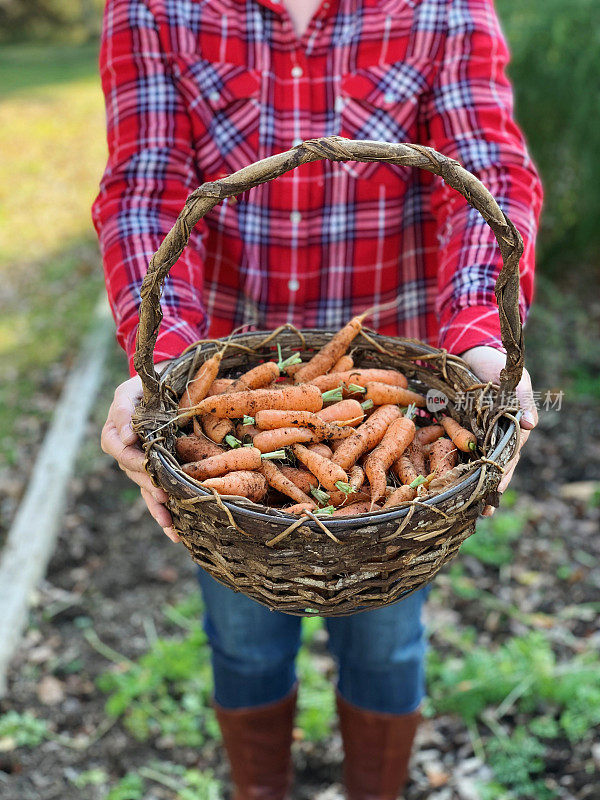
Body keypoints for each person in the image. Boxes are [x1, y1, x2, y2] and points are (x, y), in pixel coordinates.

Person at [94, 0, 543, 797]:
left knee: (387, 635)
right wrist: (161, 363)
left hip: (401, 403)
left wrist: (482, 337)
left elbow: (484, 171)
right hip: (222, 400)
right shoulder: (154, 8)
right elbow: (149, 188)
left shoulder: (443, 9)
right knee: (243, 634)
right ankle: (260, 787)